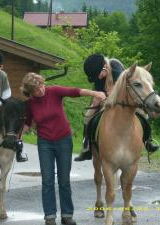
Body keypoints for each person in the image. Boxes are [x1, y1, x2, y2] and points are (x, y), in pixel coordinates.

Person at [20, 72, 105, 225]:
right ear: (30, 92)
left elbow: (75, 91)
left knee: (64, 180)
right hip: (45, 143)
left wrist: (96, 93)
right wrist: (17, 136)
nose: (41, 89)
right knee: (47, 180)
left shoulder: (54, 91)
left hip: (64, 141)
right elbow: (27, 123)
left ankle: (67, 215)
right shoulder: (30, 104)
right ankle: (50, 217)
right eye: (36, 89)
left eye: (41, 85)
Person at [74, 53, 160, 161]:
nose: (98, 77)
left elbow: (118, 90)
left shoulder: (116, 67)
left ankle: (148, 141)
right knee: (87, 117)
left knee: (143, 114)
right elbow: (99, 91)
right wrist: (98, 99)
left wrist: (106, 96)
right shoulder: (97, 75)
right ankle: (86, 146)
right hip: (103, 98)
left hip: (122, 99)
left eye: (99, 75)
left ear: (104, 67)